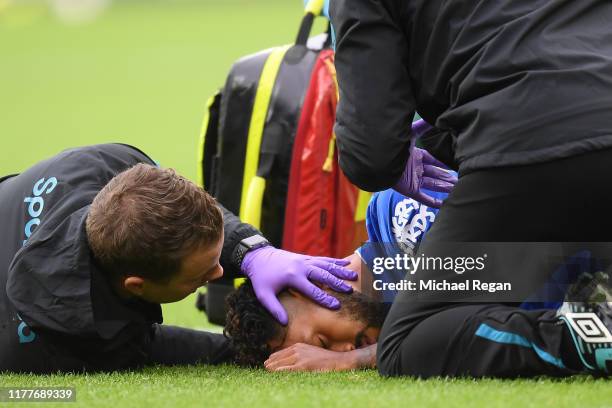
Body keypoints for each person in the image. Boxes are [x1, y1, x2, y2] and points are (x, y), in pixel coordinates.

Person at [325, 0, 612, 376]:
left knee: (405, 343)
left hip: (528, 140)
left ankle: (583, 338)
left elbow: (371, 153)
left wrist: (426, 146)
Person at [0, 143, 356, 373]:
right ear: (136, 286)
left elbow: (190, 207)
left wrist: (251, 250)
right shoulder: (64, 344)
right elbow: (151, 346)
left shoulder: (108, 162)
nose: (219, 273)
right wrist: (261, 351)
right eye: (199, 276)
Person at [224, 182, 612, 375]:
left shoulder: (397, 216)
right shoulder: (407, 317)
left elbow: (505, 275)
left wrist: (360, 358)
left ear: (307, 286)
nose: (336, 352)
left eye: (324, 340)